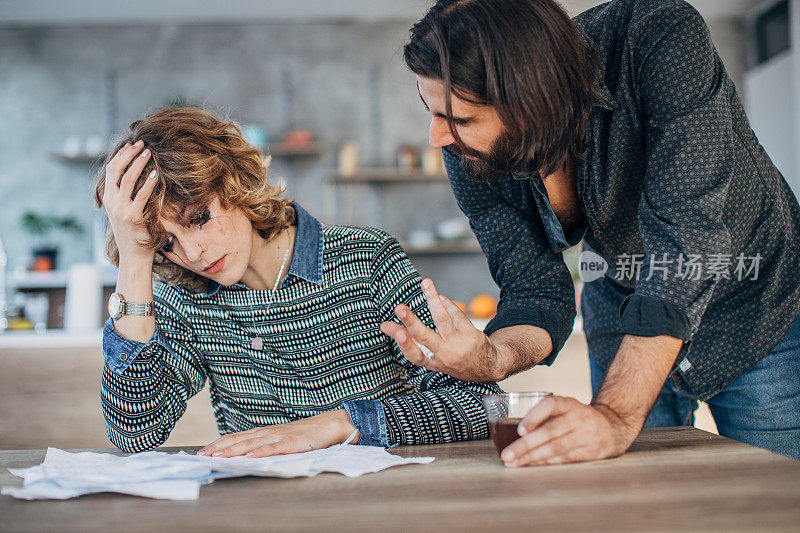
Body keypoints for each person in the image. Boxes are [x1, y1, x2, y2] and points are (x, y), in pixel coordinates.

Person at [383, 0, 800, 464]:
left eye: (460, 119)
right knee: (636, 497)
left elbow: (688, 238)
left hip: (755, 301)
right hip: (623, 301)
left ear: (532, 100)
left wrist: (615, 416)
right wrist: (490, 357)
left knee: (776, 491)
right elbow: (534, 287)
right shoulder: (468, 153)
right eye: (433, 111)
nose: (436, 139)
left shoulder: (658, 36)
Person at [94, 106, 500, 455]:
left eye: (199, 218)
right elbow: (134, 433)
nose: (193, 253)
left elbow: (483, 402)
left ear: (235, 183)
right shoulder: (184, 298)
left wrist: (344, 423)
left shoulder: (367, 260)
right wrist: (134, 256)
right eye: (166, 242)